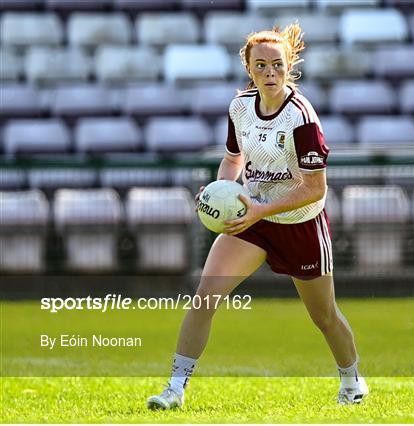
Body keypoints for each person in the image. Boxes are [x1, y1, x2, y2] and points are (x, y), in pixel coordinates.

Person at [147, 23, 368, 410]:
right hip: (251, 220)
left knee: (324, 316)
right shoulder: (240, 108)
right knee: (204, 299)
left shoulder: (301, 118)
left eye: (277, 65)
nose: (270, 73)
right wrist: (221, 193)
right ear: (248, 68)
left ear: (289, 66)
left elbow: (316, 188)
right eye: (261, 65)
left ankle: (352, 382)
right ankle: (174, 389)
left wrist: (261, 209)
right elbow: (233, 159)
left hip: (300, 224)